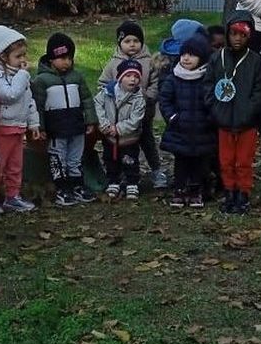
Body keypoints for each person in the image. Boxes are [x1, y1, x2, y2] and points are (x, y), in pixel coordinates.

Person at [206, 11, 261, 215]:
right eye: (234, 33)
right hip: (223, 121)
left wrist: (249, 112)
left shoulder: (255, 61)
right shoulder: (217, 59)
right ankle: (229, 191)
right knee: (226, 160)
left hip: (246, 122)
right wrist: (216, 111)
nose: (238, 38)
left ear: (250, 36)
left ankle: (243, 194)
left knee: (243, 161)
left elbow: (259, 90)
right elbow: (208, 86)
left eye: (243, 34)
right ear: (227, 33)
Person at [31, 33, 99, 207]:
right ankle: (61, 188)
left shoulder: (77, 77)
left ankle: (77, 185)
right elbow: (37, 106)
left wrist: (90, 120)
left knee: (75, 157)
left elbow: (87, 100)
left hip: (76, 125)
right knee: (58, 158)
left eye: (69, 58)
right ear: (51, 58)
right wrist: (41, 127)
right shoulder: (41, 80)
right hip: (56, 127)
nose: (66, 62)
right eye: (61, 58)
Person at [0, 25, 40, 215]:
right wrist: (23, 75)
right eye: (18, 56)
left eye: (24, 55)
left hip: (18, 128)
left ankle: (12, 196)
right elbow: (10, 94)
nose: (23, 60)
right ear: (3, 57)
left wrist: (34, 123)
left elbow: (29, 100)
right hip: (2, 128)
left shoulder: (19, 76)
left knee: (16, 166)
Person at [98, 21, 164, 190]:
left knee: (147, 142)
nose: (132, 45)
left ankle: (156, 170)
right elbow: (103, 83)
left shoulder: (149, 62)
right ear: (120, 43)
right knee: (121, 145)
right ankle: (119, 173)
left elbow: (155, 84)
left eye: (136, 40)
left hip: (143, 113)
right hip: (118, 116)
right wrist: (108, 97)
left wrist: (147, 97)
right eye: (127, 41)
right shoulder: (113, 63)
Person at [160, 35, 216, 209]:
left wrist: (209, 119)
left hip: (202, 130)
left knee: (199, 163)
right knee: (181, 162)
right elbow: (165, 100)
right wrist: (172, 117)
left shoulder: (207, 78)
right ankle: (179, 189)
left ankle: (196, 191)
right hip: (180, 129)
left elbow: (213, 100)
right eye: (184, 54)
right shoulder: (173, 78)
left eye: (192, 55)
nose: (186, 58)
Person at [95, 59, 147, 200]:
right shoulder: (107, 93)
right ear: (120, 77)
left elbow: (135, 119)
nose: (133, 79)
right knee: (110, 158)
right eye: (128, 75)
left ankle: (132, 182)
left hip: (128, 137)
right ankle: (113, 180)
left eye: (136, 77)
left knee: (130, 160)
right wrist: (105, 125)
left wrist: (118, 128)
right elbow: (98, 107)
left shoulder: (139, 98)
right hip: (109, 136)